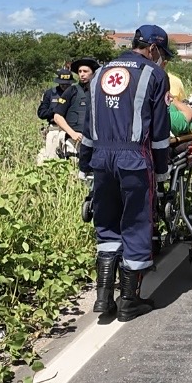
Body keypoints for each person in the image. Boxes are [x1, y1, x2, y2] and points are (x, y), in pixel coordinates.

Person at [77, 25, 173, 322]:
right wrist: (161, 169)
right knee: (136, 224)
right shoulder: (155, 75)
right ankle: (129, 301)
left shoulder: (100, 73)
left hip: (101, 159)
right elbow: (159, 131)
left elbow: (87, 128)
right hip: (135, 159)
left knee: (106, 224)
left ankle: (103, 301)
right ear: (154, 49)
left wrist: (85, 164)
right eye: (161, 54)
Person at [51, 58, 98, 161]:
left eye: (85, 71)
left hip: (95, 144)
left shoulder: (99, 91)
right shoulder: (71, 91)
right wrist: (72, 133)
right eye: (80, 71)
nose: (82, 74)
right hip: (74, 143)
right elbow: (57, 117)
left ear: (93, 73)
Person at [36, 68, 73, 164]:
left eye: (67, 84)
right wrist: (56, 110)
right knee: (51, 160)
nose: (65, 86)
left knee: (72, 161)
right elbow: (41, 113)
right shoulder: (50, 93)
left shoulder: (76, 93)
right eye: (62, 84)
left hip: (71, 130)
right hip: (54, 130)